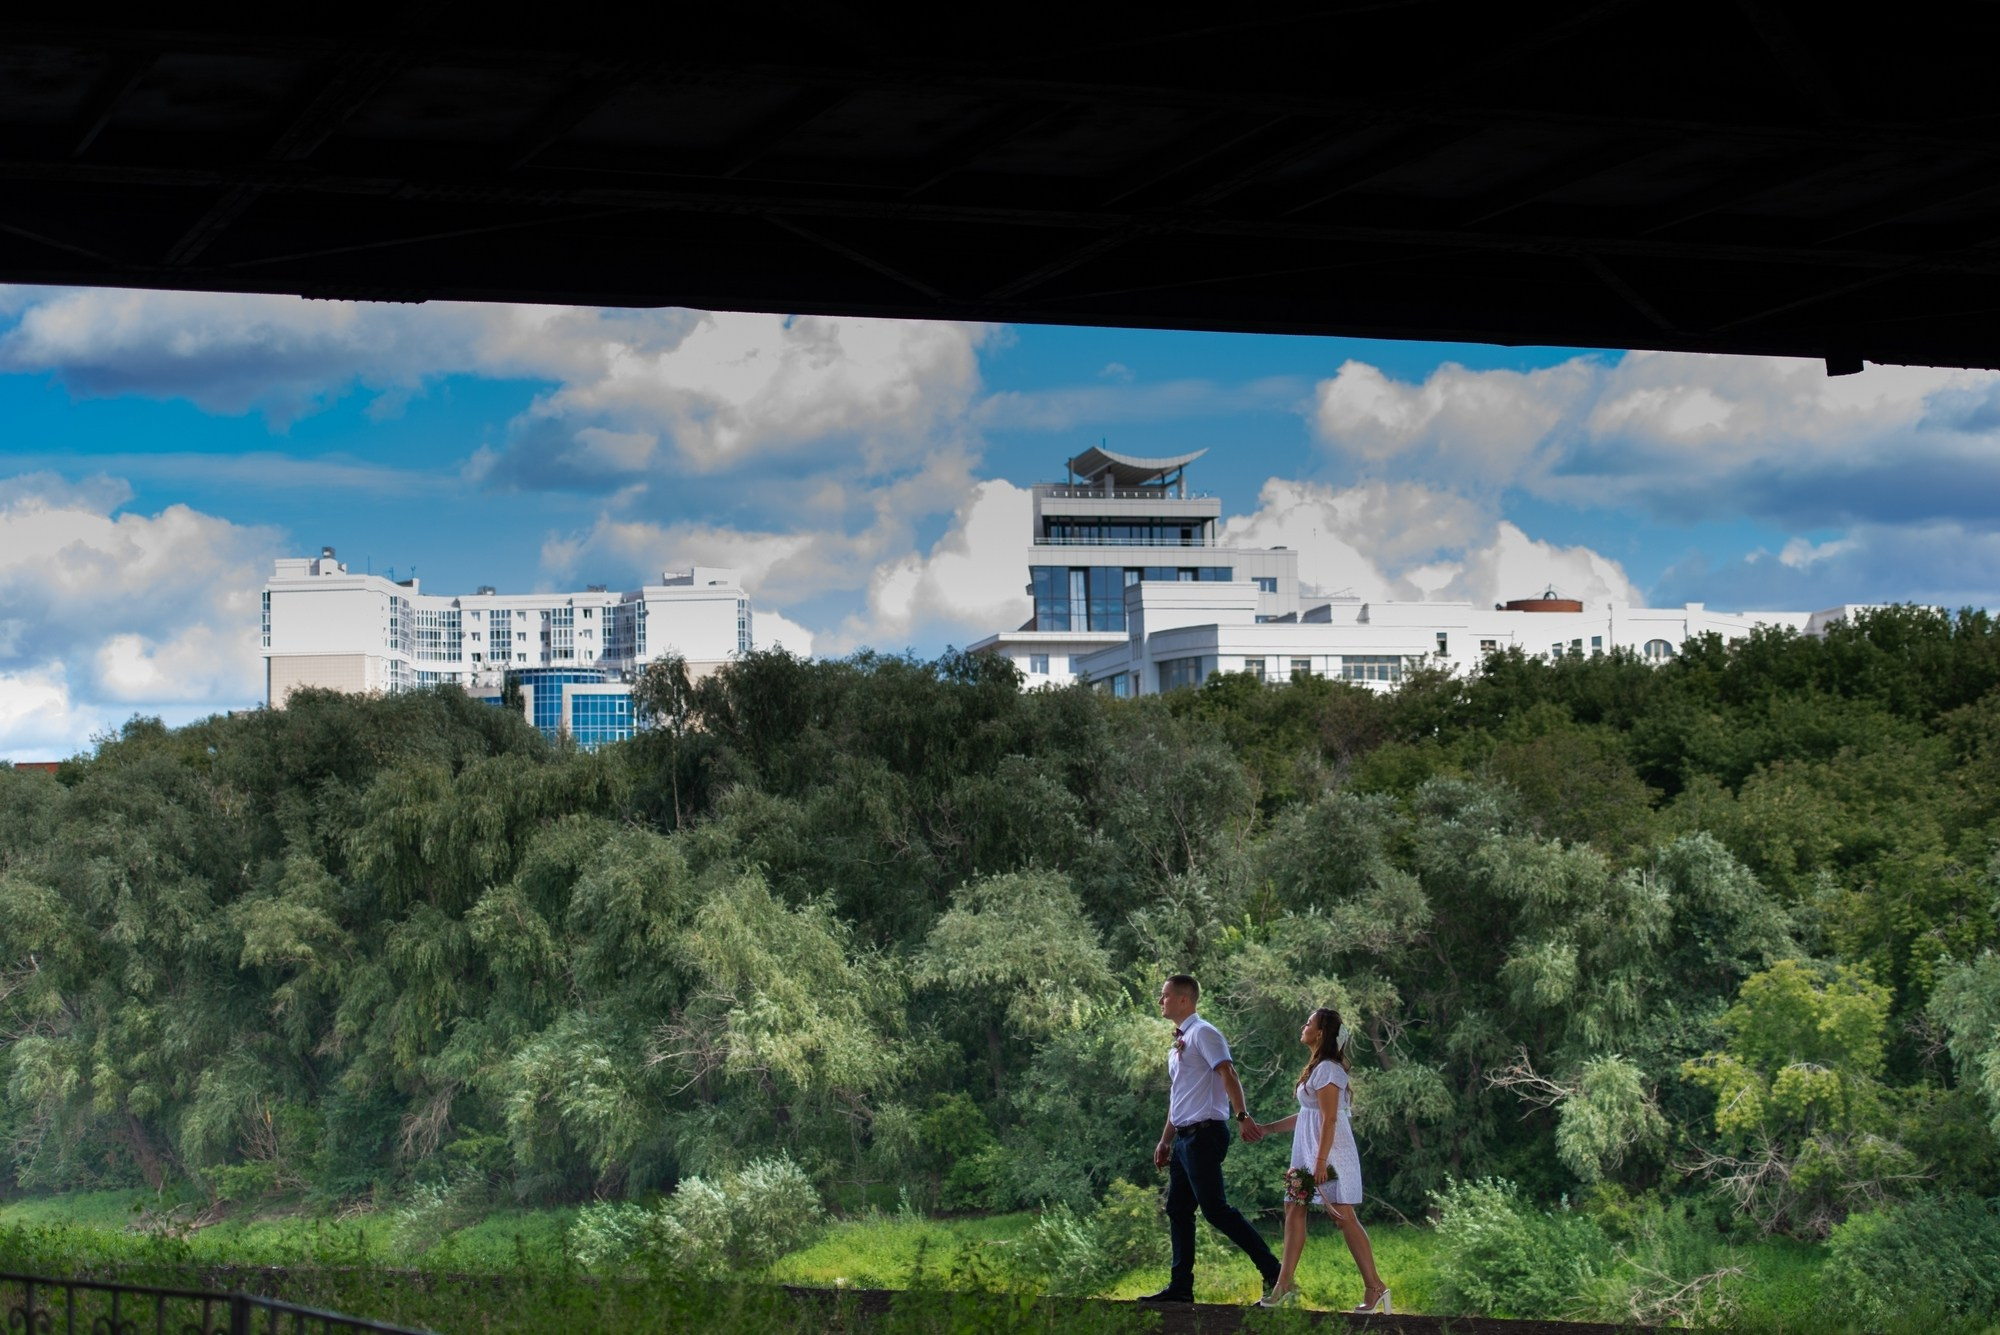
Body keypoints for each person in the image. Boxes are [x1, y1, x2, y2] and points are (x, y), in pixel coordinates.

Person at [1140, 974, 1282, 1305]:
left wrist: (1242, 1116)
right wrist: (1165, 1141)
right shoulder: (1180, 1041)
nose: (1160, 1001)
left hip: (1205, 1133)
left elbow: (1228, 1072)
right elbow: (1179, 1096)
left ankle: (1275, 1273)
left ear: (1184, 1000)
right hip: (1183, 1138)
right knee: (1178, 1209)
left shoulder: (1204, 1033)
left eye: (1165, 995)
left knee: (1215, 1210)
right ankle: (1180, 1287)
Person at [1250, 1006, 1389, 1312]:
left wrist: (1321, 1161)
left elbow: (1329, 1119)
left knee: (1342, 1216)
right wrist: (1268, 1129)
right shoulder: (1317, 1068)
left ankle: (1375, 1286)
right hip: (1307, 1153)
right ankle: (1284, 1284)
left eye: (1309, 1023)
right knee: (1293, 1207)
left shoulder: (1328, 1069)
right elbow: (1308, 1115)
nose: (1304, 1026)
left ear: (1321, 1033)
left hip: (1329, 1154)